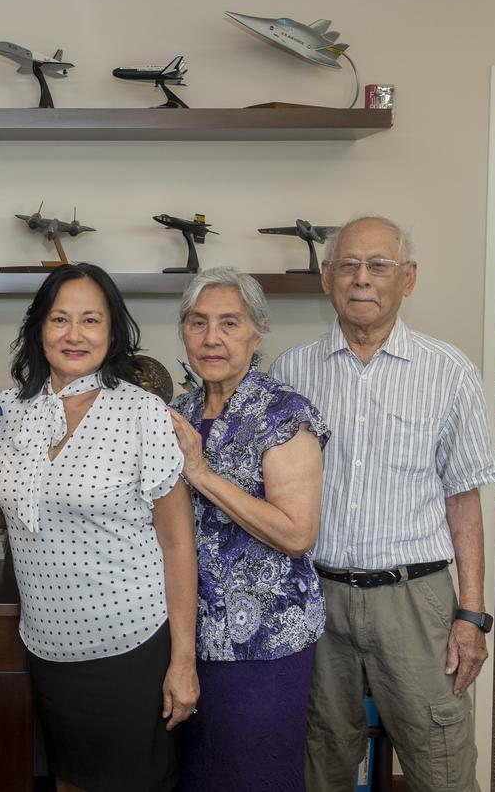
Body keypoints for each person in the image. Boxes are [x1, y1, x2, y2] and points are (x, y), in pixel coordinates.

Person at [0, 263, 199, 792]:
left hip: (131, 644)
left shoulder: (143, 412)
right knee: (69, 780)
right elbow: (4, 513)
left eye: (91, 320)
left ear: (113, 331)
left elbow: (177, 544)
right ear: (39, 328)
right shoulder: (9, 412)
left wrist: (182, 662)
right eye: (60, 319)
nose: (74, 334)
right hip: (48, 645)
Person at [269, 216, 495, 792]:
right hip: (316, 597)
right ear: (326, 278)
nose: (362, 279)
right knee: (320, 753)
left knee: (439, 757)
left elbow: (463, 497)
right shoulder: (290, 372)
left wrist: (472, 614)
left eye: (379, 266)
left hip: (415, 599)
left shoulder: (448, 372)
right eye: (347, 265)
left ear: (409, 279)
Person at [164, 267, 329, 792]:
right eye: (198, 322)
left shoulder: (284, 413)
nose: (212, 337)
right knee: (198, 775)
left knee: (253, 774)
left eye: (229, 323)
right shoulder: (179, 411)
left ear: (257, 332)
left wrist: (202, 474)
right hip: (187, 638)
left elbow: (297, 532)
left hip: (262, 643)